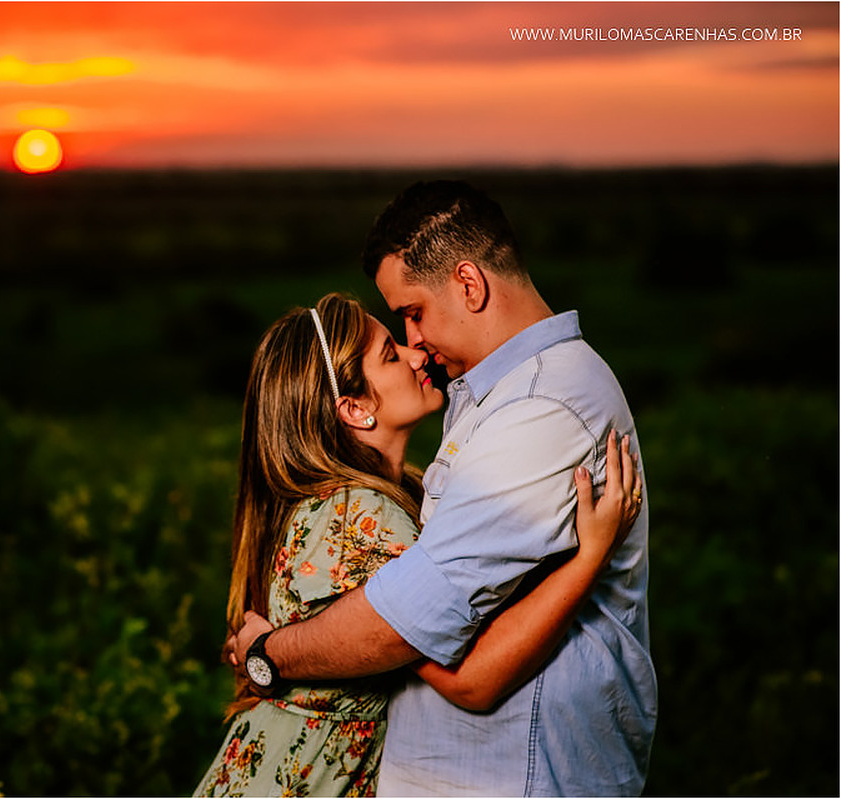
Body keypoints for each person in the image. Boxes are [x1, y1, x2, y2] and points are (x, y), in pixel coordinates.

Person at [227, 181, 657, 796]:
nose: (415, 342)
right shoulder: (492, 398)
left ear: (470, 285)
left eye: (413, 312)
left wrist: (271, 652)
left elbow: (417, 627)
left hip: (516, 778)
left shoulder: (539, 407)